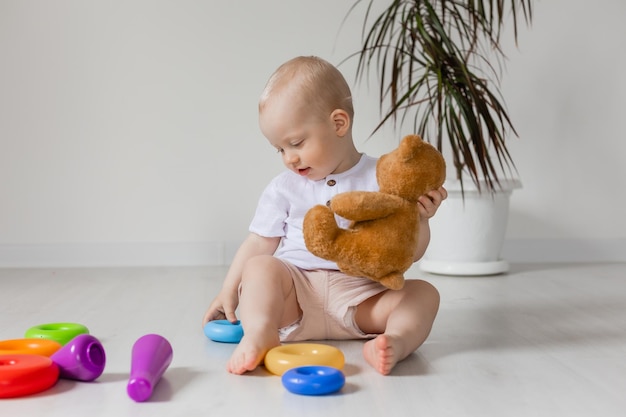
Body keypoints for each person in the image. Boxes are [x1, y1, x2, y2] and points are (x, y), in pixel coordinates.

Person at [202, 56, 447, 375]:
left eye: (296, 143)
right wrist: (227, 290)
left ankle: (395, 341)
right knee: (260, 267)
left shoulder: (383, 178)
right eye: (280, 149)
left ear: (338, 124)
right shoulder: (284, 188)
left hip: (363, 298)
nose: (289, 158)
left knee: (424, 293)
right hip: (295, 297)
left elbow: (407, 254)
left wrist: (421, 221)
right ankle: (261, 333)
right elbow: (258, 243)